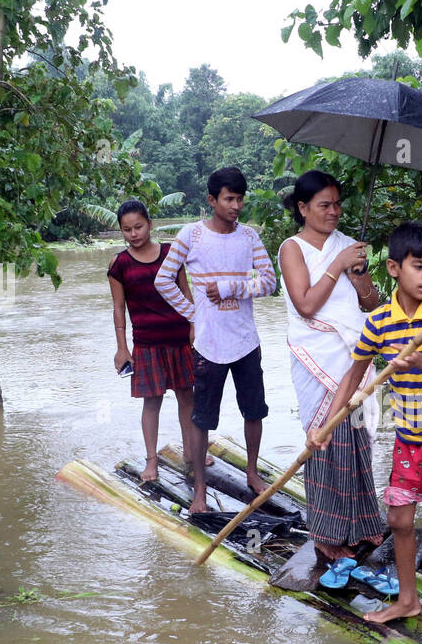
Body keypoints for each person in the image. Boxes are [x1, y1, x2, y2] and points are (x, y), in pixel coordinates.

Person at [310, 221, 422, 644]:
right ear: (393, 268)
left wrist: (415, 356)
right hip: (411, 439)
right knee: (400, 520)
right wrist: (326, 427)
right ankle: (407, 600)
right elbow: (353, 375)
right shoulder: (380, 321)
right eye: (418, 266)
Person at [155, 166, 276, 513]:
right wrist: (194, 314)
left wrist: (232, 287)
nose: (235, 206)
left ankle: (252, 473)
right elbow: (163, 280)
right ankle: (199, 491)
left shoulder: (249, 237)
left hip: (245, 341)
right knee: (202, 418)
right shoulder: (191, 235)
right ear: (212, 200)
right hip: (208, 344)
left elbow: (269, 282)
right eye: (229, 199)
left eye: (240, 199)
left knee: (254, 410)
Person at [278, 170, 386, 560]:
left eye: (338, 204)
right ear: (303, 208)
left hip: (353, 355)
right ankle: (326, 534)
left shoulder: (348, 247)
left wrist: (359, 277)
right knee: (324, 441)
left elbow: (374, 306)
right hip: (315, 357)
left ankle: (362, 524)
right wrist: (337, 264)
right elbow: (306, 305)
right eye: (325, 205)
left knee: (356, 437)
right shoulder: (292, 248)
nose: (334, 212)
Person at [108, 199, 198, 484]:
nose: (133, 234)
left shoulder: (171, 255)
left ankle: (192, 452)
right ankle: (151, 460)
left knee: (187, 396)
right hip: (145, 344)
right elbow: (118, 308)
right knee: (152, 401)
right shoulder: (119, 264)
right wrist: (122, 348)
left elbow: (186, 293)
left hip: (180, 337)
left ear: (150, 224)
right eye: (127, 229)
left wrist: (196, 326)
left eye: (138, 226)